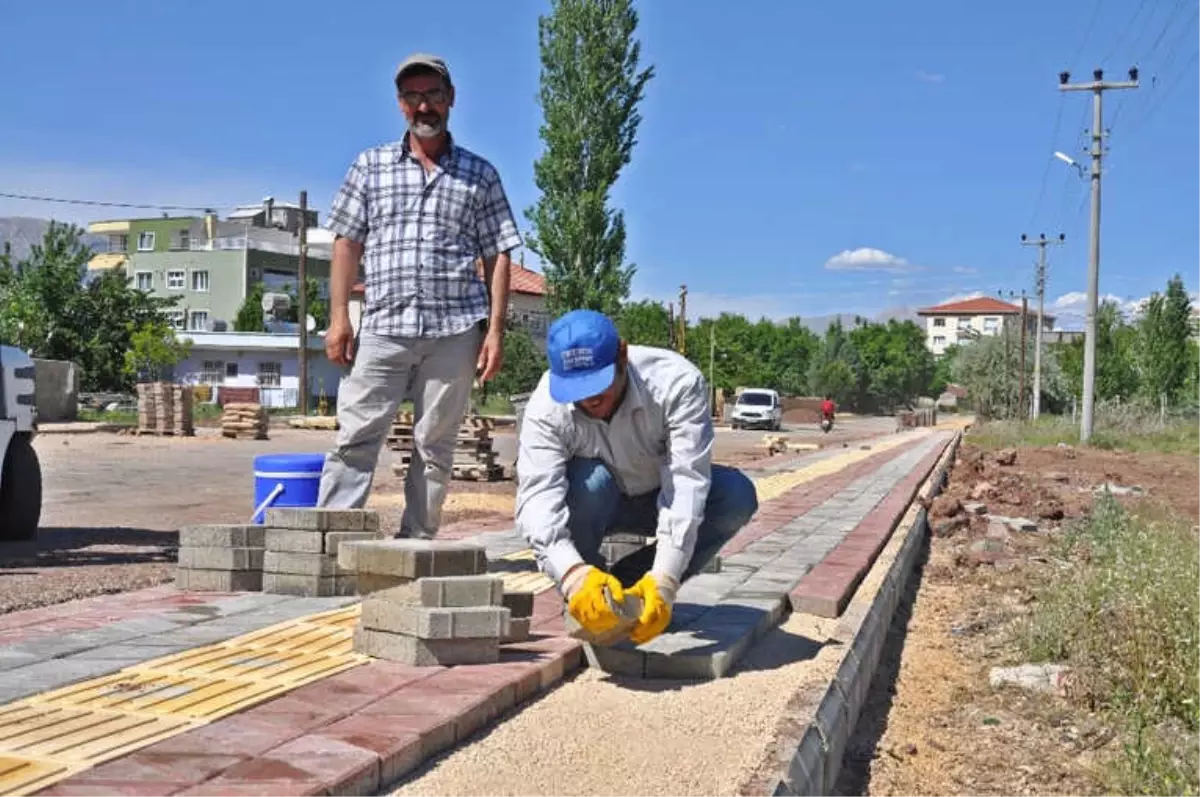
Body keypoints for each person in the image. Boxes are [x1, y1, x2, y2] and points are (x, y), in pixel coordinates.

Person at [317, 53, 522, 538]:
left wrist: (494, 331)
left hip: (455, 332)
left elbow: (498, 255)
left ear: (450, 100)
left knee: (435, 443)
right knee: (356, 436)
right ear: (400, 104)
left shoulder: (480, 174)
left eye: (432, 94)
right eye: (412, 96)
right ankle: (329, 542)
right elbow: (346, 242)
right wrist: (339, 318)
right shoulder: (371, 166)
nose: (423, 105)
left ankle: (417, 544)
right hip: (385, 326)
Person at [515, 309, 760, 645]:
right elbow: (537, 499)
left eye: (599, 385)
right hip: (598, 503)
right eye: (577, 389)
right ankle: (588, 594)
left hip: (657, 499)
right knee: (592, 481)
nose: (589, 399)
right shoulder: (546, 404)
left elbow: (686, 485)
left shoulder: (676, 383)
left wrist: (665, 579)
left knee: (736, 497)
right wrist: (572, 575)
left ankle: (635, 586)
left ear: (623, 354)